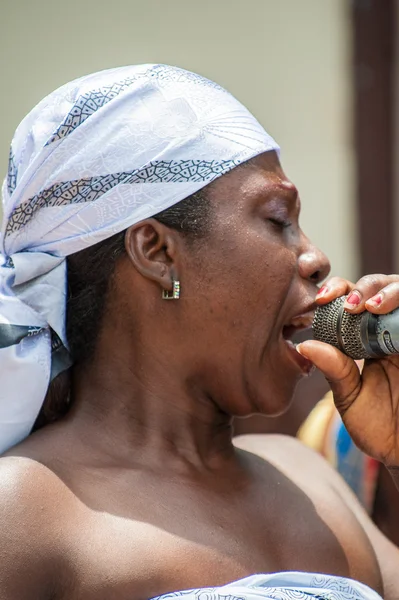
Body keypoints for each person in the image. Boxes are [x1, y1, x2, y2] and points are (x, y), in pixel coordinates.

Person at [0, 64, 398, 600]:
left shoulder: (312, 481)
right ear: (157, 252)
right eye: (278, 218)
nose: (316, 258)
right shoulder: (25, 512)